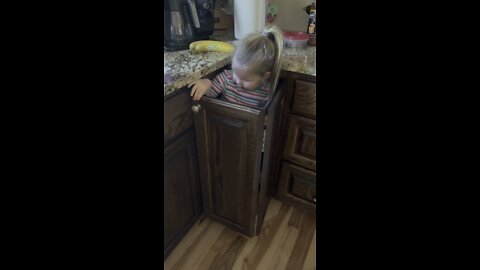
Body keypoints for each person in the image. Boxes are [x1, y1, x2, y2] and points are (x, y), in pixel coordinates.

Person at [188, 25, 284, 108]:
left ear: (265, 76)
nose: (237, 81)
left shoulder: (267, 91)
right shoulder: (226, 79)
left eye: (246, 80)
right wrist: (207, 83)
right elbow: (209, 96)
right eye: (235, 73)